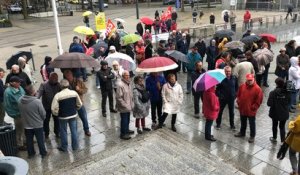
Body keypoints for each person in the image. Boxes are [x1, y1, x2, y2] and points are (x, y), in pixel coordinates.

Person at [52, 79, 82, 152]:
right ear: (68, 85)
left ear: (61, 86)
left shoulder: (58, 95)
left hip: (63, 116)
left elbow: (53, 108)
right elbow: (80, 104)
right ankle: (75, 146)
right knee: (74, 131)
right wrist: (76, 109)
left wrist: (57, 113)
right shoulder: (74, 93)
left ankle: (64, 147)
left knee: (63, 131)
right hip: (73, 114)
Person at [18, 85, 47, 158]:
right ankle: (43, 153)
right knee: (40, 140)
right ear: (32, 92)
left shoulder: (20, 100)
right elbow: (43, 113)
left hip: (27, 125)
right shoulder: (37, 101)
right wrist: (42, 119)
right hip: (37, 125)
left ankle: (31, 154)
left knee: (29, 140)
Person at [235, 74, 263, 143]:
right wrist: (239, 102)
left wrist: (253, 107)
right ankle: (242, 132)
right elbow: (238, 95)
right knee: (243, 122)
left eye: (251, 80)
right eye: (248, 80)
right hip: (242, 108)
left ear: (253, 79)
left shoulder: (258, 89)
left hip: (251, 110)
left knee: (252, 123)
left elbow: (259, 101)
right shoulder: (242, 86)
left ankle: (252, 136)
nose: (250, 81)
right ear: (246, 80)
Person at [64, 70, 91, 136]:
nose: (68, 77)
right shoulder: (65, 83)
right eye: (66, 76)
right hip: (70, 104)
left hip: (79, 102)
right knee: (73, 120)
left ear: (72, 75)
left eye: (69, 75)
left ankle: (86, 130)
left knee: (84, 117)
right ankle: (74, 132)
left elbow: (85, 90)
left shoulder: (78, 81)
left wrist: (79, 89)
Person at [4, 76, 26, 150]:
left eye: (20, 82)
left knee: (25, 128)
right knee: (19, 130)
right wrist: (15, 115)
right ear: (12, 83)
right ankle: (20, 145)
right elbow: (7, 106)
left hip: (24, 112)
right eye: (18, 82)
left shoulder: (20, 88)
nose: (20, 83)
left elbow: (24, 95)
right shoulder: (8, 92)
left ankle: (25, 140)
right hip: (17, 115)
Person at [37, 72, 61, 138]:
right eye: (52, 79)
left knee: (57, 120)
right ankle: (46, 133)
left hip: (55, 107)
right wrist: (36, 99)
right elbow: (39, 94)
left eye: (55, 79)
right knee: (46, 120)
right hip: (46, 107)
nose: (54, 80)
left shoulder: (58, 85)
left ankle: (57, 132)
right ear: (49, 78)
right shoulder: (43, 85)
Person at [267, 78, 289, 143]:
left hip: (275, 113)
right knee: (282, 127)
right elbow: (289, 101)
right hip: (284, 113)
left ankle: (274, 138)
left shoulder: (273, 93)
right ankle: (283, 140)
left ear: (276, 84)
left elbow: (269, 104)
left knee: (274, 125)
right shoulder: (287, 92)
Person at [216, 66, 238, 130]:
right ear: (224, 71)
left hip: (231, 98)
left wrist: (235, 95)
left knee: (232, 112)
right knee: (220, 111)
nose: (228, 73)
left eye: (229, 71)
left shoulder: (234, 78)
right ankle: (218, 124)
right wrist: (220, 96)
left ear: (231, 71)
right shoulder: (221, 78)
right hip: (223, 99)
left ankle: (232, 125)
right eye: (226, 71)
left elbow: (236, 87)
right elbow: (217, 90)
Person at [116, 71, 134, 140]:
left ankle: (127, 130)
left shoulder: (128, 83)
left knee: (128, 119)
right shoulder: (120, 85)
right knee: (124, 120)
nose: (128, 76)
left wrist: (131, 103)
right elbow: (118, 98)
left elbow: (130, 94)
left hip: (128, 105)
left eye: (128, 75)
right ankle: (123, 133)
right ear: (123, 76)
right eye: (126, 75)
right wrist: (125, 105)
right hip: (124, 106)